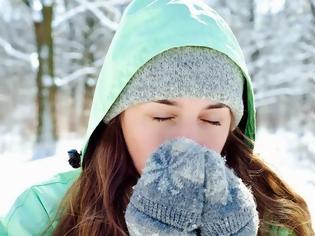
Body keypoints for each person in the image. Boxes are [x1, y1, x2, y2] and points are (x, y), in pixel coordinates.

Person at [1, 0, 314, 235]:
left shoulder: (276, 220)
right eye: (163, 116)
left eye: (213, 120)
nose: (189, 140)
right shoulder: (42, 217)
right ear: (116, 119)